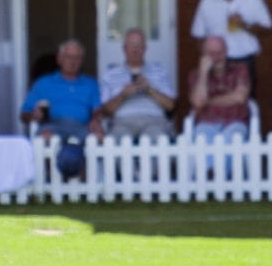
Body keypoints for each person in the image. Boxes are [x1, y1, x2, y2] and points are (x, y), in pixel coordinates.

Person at [189, 0, 272, 95]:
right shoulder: (207, 1)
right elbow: (199, 36)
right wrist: (208, 60)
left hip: (244, 62)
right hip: (215, 63)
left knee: (245, 106)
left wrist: (244, 25)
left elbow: (267, 30)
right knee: (214, 106)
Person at [20, 38, 104, 176]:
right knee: (45, 138)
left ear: (81, 61)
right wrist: (34, 115)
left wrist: (95, 119)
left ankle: (87, 182)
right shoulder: (43, 83)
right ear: (59, 59)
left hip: (81, 126)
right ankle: (49, 180)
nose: (73, 61)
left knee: (99, 137)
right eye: (68, 57)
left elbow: (97, 109)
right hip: (53, 125)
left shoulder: (90, 83)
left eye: (77, 57)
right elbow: (24, 114)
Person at [96, 29, 177, 139]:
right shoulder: (111, 75)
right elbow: (106, 111)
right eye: (131, 45)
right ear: (124, 49)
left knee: (158, 138)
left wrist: (150, 89)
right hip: (122, 121)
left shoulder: (159, 72)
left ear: (145, 48)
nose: (135, 50)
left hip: (154, 120)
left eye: (139, 46)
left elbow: (170, 106)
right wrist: (123, 94)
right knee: (118, 140)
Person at [186, 34, 254, 140]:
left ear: (226, 52)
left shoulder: (240, 70)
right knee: (202, 141)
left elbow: (240, 97)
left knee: (232, 140)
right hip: (206, 123)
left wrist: (208, 101)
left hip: (235, 122)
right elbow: (198, 102)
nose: (216, 57)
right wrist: (203, 73)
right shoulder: (195, 75)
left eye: (220, 53)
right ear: (204, 55)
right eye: (211, 54)